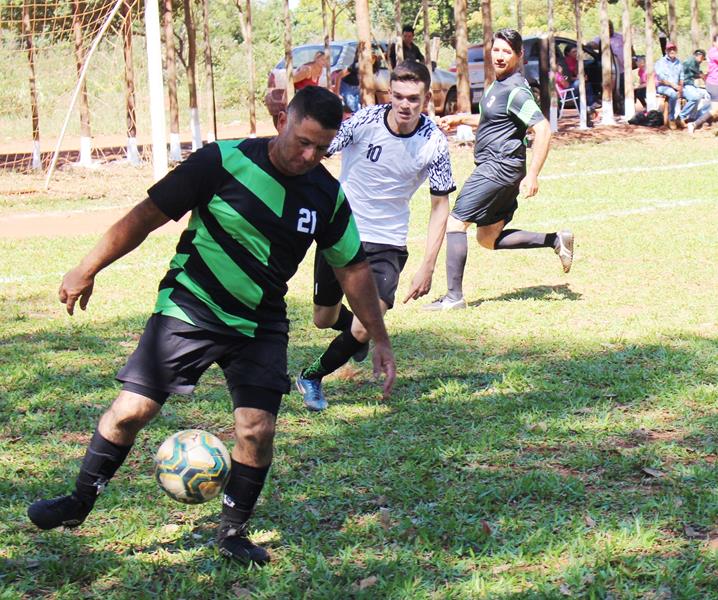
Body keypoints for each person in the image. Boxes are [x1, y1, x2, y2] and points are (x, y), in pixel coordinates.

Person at [26, 87, 396, 566]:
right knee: (130, 411)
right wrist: (87, 267)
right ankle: (79, 501)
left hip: (260, 322)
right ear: (283, 119)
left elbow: (353, 270)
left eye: (322, 149)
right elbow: (145, 217)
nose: (310, 156)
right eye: (304, 141)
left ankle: (232, 532)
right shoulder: (222, 161)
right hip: (190, 307)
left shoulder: (326, 196)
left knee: (256, 429)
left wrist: (380, 337)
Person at [295, 60, 455, 411]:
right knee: (323, 318)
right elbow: (322, 148)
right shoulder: (365, 121)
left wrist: (427, 266)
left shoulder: (434, 144)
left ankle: (311, 375)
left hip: (387, 242)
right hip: (341, 232)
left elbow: (440, 205)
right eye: (398, 96)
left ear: (426, 98)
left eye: (413, 98)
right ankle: (355, 331)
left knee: (369, 324)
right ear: (390, 94)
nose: (405, 105)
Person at [424, 28, 573, 312]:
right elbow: (492, 118)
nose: (500, 56)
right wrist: (460, 119)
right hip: (501, 167)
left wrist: (533, 174)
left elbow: (542, 129)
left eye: (507, 51)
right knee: (488, 238)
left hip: (498, 167)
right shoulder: (498, 85)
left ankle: (454, 298)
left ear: (519, 55)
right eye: (496, 50)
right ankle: (555, 240)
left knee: (455, 223)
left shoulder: (516, 90)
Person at [589, 20, 630, 114]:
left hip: (622, 68)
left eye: (611, 27)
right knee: (612, 90)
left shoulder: (620, 37)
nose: (610, 29)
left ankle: (624, 110)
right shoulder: (599, 39)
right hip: (610, 71)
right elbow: (593, 44)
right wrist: (588, 45)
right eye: (607, 28)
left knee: (623, 90)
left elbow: (630, 48)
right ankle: (613, 109)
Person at [691, 34, 718, 132]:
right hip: (714, 84)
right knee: (715, 110)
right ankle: (695, 124)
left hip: (713, 82)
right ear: (714, 43)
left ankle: (705, 123)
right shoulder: (714, 53)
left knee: (715, 110)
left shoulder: (712, 50)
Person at [655, 42, 685, 129]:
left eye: (673, 49)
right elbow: (661, 79)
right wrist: (674, 86)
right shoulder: (660, 62)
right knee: (673, 94)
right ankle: (671, 118)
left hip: (675, 87)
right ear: (666, 51)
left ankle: (681, 118)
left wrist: (681, 87)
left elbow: (682, 76)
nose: (672, 51)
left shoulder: (679, 62)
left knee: (692, 95)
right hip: (663, 87)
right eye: (670, 49)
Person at [680, 49, 709, 123]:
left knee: (708, 94)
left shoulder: (695, 63)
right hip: (685, 85)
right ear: (700, 56)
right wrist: (703, 76)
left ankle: (695, 116)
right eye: (702, 59)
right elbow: (698, 74)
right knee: (695, 97)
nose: (702, 61)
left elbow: (694, 74)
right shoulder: (691, 61)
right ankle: (681, 117)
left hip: (691, 85)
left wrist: (703, 76)